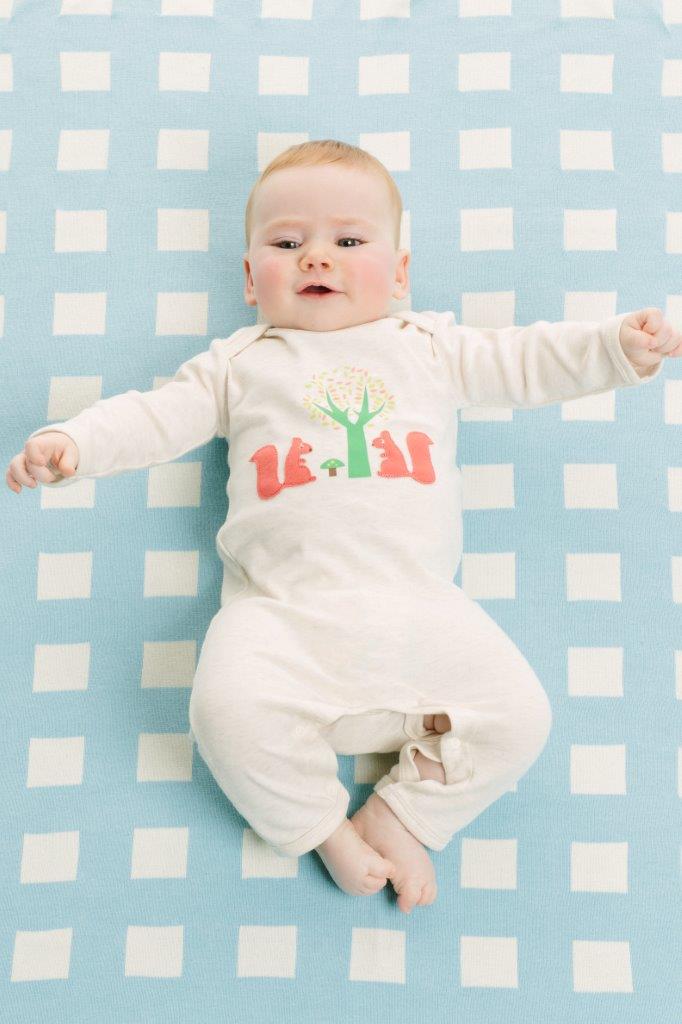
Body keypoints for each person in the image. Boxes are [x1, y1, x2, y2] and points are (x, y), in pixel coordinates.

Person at [7, 140, 681, 915]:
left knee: (522, 715)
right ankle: (325, 826)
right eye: (287, 243)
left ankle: (404, 812)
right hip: (280, 616)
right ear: (250, 280)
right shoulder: (239, 364)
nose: (316, 258)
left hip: (416, 608)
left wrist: (612, 347)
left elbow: (524, 359)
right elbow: (155, 417)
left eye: (348, 242)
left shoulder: (427, 347)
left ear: (398, 274)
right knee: (222, 713)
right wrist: (76, 444)